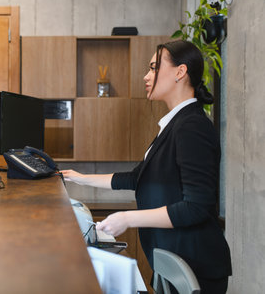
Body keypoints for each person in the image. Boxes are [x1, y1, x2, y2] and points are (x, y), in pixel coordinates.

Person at [62, 40, 232, 293]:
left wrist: (128, 218)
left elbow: (196, 207)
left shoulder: (191, 127)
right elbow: (136, 178)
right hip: (173, 257)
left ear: (180, 72)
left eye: (153, 68)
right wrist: (78, 178)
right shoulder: (175, 124)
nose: (146, 76)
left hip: (195, 263)